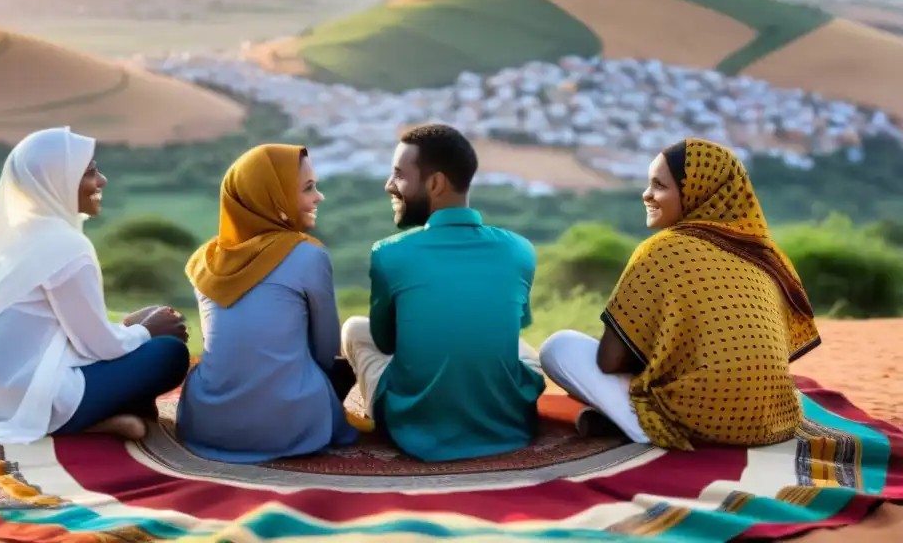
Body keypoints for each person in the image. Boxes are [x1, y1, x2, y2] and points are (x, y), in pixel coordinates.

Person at [539, 138, 821, 450]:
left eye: (659, 185)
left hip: (698, 421)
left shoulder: (663, 248)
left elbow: (608, 361)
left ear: (696, 191)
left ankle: (645, 430)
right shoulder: (766, 256)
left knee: (559, 347)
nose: (647, 194)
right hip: (772, 420)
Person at [0, 127, 190, 445]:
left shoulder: (0, 241)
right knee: (169, 352)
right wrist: (146, 331)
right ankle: (80, 423)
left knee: (134, 343)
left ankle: (107, 415)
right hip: (33, 400)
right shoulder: (68, 245)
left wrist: (128, 325)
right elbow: (96, 346)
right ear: (57, 182)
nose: (102, 181)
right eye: (89, 173)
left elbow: (54, 325)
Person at [341, 124, 545, 463]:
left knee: (353, 329)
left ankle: (369, 403)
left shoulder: (388, 253)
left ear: (435, 183)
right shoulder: (521, 250)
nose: (389, 185)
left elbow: (386, 342)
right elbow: (518, 322)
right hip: (509, 426)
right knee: (522, 345)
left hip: (414, 428)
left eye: (398, 175)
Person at [176, 144, 357, 463]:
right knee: (342, 369)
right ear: (275, 198)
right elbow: (326, 348)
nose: (319, 197)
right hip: (287, 425)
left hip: (206, 422)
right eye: (308, 188)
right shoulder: (308, 255)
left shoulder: (204, 262)